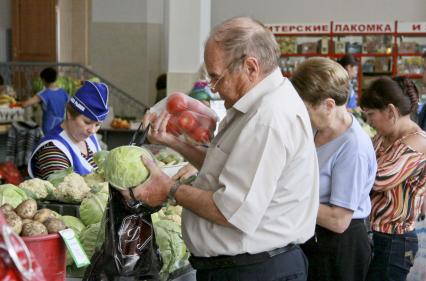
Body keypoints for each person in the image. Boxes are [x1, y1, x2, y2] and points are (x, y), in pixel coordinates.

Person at [122, 17, 319, 281]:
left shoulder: (267, 119)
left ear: (250, 67)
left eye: (216, 78)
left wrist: (169, 189)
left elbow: (231, 211)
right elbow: (227, 169)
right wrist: (175, 143)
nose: (213, 88)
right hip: (243, 267)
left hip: (254, 270)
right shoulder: (255, 105)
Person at [290, 57, 377, 281]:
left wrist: (288, 199)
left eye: (305, 108)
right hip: (312, 237)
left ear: (329, 105)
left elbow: (339, 220)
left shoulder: (353, 146)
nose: (300, 115)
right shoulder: (315, 128)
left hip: (339, 247)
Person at [359, 76, 426, 281]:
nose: (369, 121)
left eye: (371, 114)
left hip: (394, 240)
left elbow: (377, 179)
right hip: (374, 234)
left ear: (391, 111)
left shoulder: (418, 142)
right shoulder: (384, 136)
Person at [27, 80, 109, 179]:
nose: (92, 130)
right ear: (69, 114)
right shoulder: (52, 150)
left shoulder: (89, 137)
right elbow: (63, 192)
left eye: (98, 124)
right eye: (87, 122)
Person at [21, 67, 69, 135]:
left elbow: (25, 104)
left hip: (49, 125)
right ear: (55, 78)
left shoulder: (44, 94)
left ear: (43, 80)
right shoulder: (63, 92)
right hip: (62, 125)